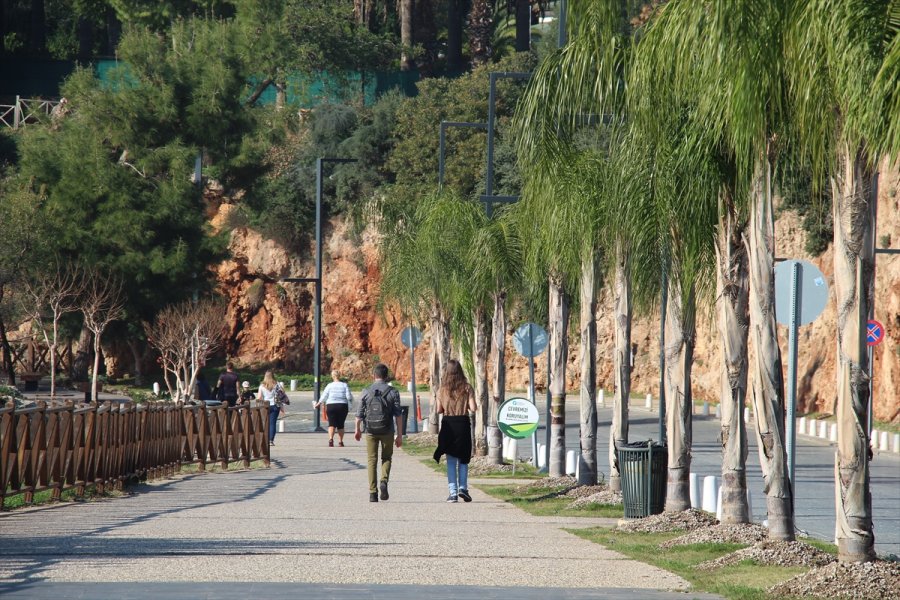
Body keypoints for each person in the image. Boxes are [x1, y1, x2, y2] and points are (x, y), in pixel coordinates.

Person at [354, 363, 402, 502]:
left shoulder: (365, 391)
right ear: (386, 377)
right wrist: (399, 435)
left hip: (370, 430)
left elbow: (359, 414)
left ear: (373, 375)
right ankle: (384, 481)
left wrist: (357, 429)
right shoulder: (393, 392)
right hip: (387, 430)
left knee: (371, 460)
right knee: (386, 458)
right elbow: (398, 415)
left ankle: (372, 493)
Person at [433, 359, 477, 503]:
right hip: (463, 425)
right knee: (463, 459)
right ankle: (463, 488)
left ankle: (452, 493)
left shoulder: (441, 390)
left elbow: (439, 410)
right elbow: (474, 408)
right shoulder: (467, 388)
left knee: (451, 460)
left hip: (448, 425)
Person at [316, 370, 354, 447]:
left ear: (332, 376)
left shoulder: (329, 385)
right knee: (340, 425)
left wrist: (318, 403)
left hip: (331, 405)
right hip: (342, 406)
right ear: (339, 376)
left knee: (331, 424)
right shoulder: (344, 385)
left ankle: (331, 439)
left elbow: (324, 395)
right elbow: (349, 397)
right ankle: (340, 442)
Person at [258, 371, 283, 445]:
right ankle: (271, 440)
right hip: (275, 405)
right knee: (272, 423)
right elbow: (281, 395)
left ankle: (265, 438)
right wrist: (282, 407)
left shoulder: (262, 385)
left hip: (265, 405)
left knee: (265, 423)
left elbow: (259, 397)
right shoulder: (277, 384)